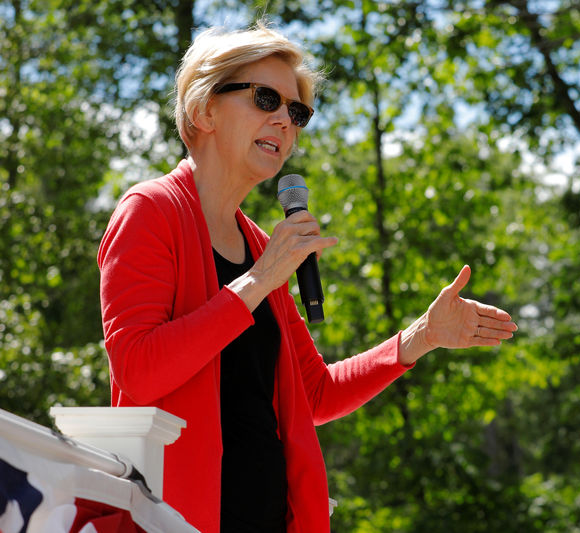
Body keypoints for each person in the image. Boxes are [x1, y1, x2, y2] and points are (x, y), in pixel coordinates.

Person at [97, 20, 517, 533]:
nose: (285, 123)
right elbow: (138, 372)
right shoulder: (151, 212)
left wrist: (420, 338)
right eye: (265, 99)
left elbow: (314, 393)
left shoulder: (257, 244)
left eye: (297, 113)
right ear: (203, 109)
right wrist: (257, 282)